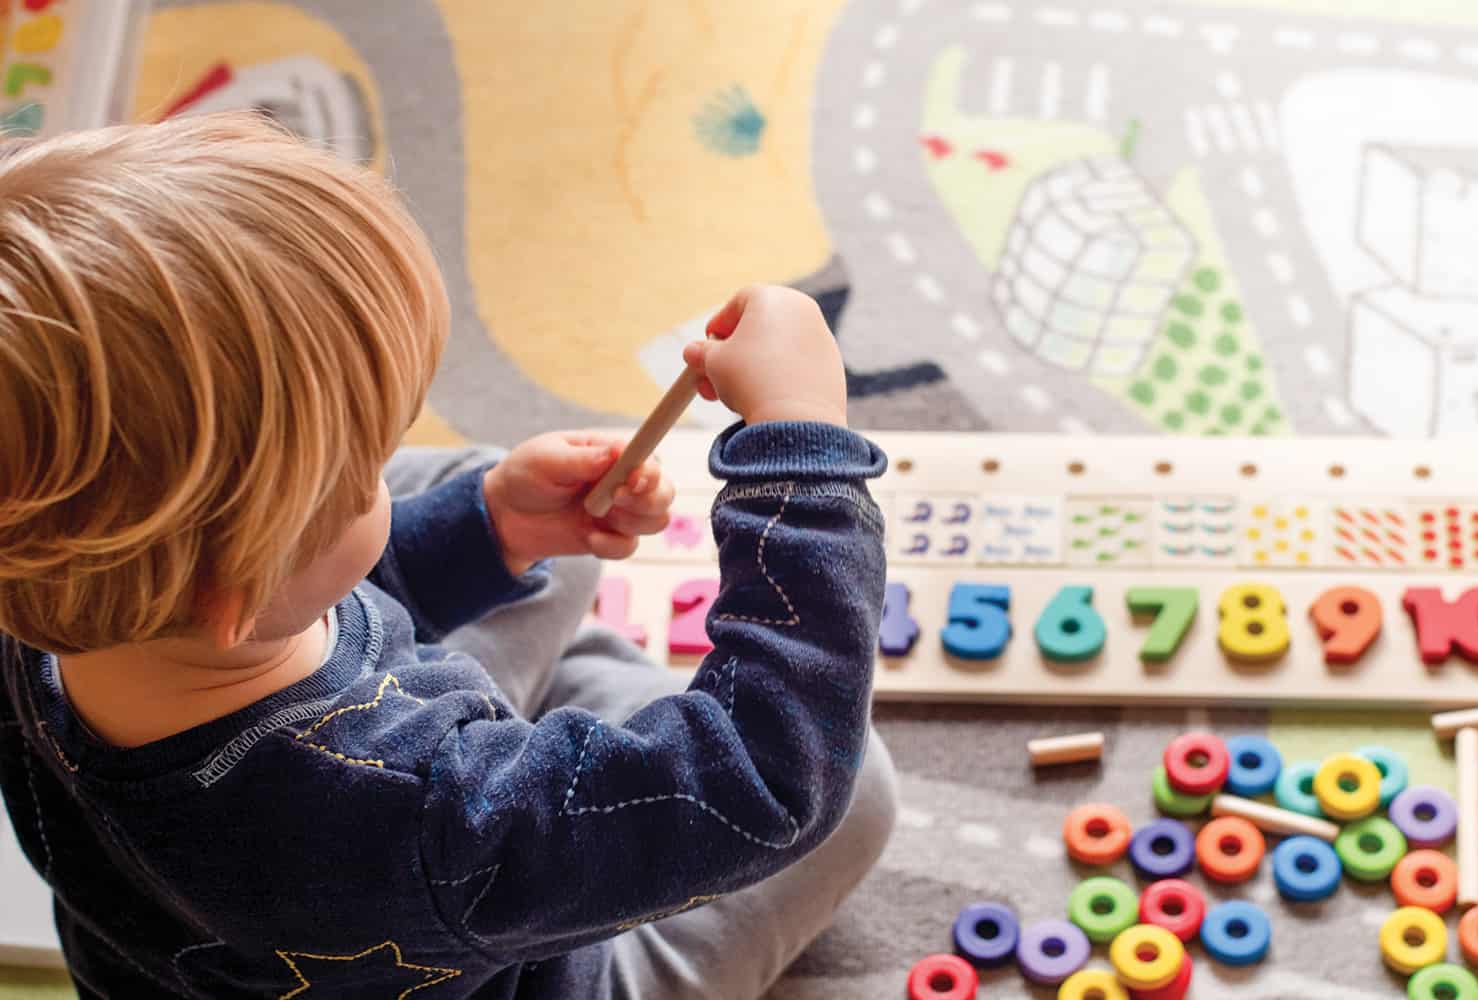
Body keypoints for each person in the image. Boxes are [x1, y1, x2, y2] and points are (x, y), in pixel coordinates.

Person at [0, 113, 896, 999]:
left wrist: (489, 530)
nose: (383, 469)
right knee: (857, 790)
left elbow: (289, 607)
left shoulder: (45, 596)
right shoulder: (432, 817)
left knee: (509, 514)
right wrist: (799, 452)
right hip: (517, 953)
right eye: (362, 468)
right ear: (237, 582)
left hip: (269, 915)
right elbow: (768, 779)